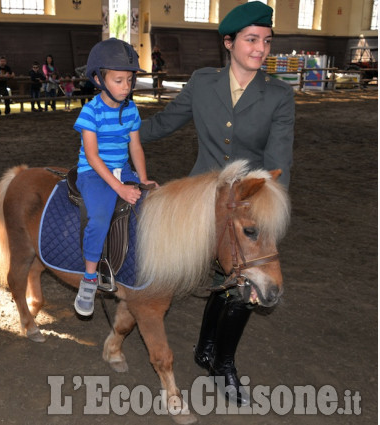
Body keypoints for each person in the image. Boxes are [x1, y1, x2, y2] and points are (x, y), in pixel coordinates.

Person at [138, 2, 294, 407]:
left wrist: (268, 217)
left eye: (266, 41)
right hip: (201, 204)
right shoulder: (202, 83)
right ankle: (206, 348)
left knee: (242, 284)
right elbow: (164, 123)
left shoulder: (278, 95)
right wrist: (115, 131)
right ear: (229, 42)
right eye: (251, 40)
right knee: (218, 282)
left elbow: (279, 164)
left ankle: (221, 361)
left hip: (245, 205)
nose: (261, 49)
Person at [73, 38, 156, 317]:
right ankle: (89, 278)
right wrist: (119, 188)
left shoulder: (131, 109)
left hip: (124, 169)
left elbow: (135, 146)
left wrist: (142, 179)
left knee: (152, 206)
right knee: (99, 217)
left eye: (129, 81)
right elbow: (93, 156)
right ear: (99, 78)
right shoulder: (90, 112)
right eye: (119, 80)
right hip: (94, 173)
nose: (126, 87)